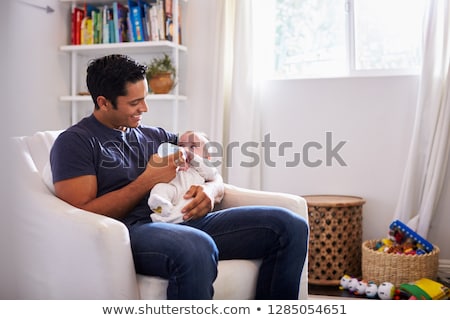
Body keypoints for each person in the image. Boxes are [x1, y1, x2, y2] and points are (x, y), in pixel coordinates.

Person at [50, 54, 309, 300]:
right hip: (130, 231)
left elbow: (207, 167)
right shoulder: (75, 142)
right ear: (104, 102)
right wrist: (147, 181)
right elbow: (79, 216)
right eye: (134, 103)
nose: (145, 108)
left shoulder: (154, 135)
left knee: (289, 226)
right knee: (195, 247)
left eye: (145, 98)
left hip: (181, 219)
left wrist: (211, 191)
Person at [149, 131, 221, 223]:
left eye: (193, 146)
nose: (185, 149)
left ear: (207, 157)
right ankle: (160, 204)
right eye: (181, 145)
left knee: (188, 204)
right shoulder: (178, 162)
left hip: (188, 193)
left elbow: (212, 174)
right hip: (173, 188)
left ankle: (167, 219)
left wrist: (192, 157)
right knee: (160, 188)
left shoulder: (203, 167)